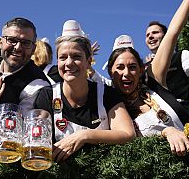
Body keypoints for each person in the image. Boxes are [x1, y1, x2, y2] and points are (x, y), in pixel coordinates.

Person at [107, 0, 189, 156]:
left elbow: (172, 33)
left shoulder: (153, 82)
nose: (126, 73)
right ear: (111, 73)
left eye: (132, 67)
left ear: (142, 70)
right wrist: (167, 132)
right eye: (119, 67)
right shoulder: (113, 110)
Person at [34, 35, 136, 163]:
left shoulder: (107, 93)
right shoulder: (47, 95)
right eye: (63, 57)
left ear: (89, 62)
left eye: (76, 57)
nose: (69, 63)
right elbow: (36, 133)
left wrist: (84, 136)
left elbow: (127, 134)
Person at [0, 17, 50, 111]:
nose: (18, 47)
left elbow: (20, 123)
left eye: (25, 43)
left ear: (33, 49)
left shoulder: (38, 85)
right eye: (12, 40)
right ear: (0, 42)